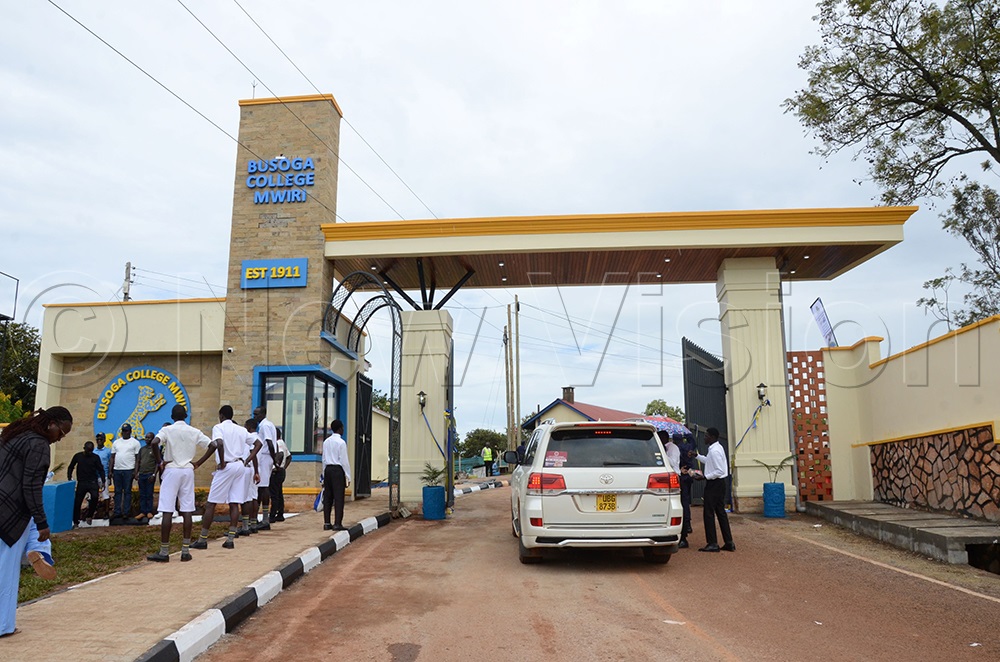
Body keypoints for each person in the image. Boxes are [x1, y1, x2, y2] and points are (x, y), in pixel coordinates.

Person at [0, 406, 73, 637]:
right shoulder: (39, 444)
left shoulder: (15, 434)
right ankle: (3, 625)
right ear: (51, 424)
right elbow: (31, 486)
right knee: (6, 572)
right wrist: (42, 522)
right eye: (61, 433)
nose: (59, 439)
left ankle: (37, 550)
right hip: (11, 514)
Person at [146, 405, 215, 562]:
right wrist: (198, 463)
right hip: (187, 471)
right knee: (187, 509)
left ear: (172, 416)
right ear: (186, 415)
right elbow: (214, 445)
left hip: (171, 469)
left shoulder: (167, 430)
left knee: (167, 510)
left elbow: (155, 443)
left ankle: (164, 552)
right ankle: (185, 551)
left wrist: (159, 462)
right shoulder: (193, 431)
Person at [193, 406, 256, 550]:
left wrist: (221, 462)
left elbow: (219, 443)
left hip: (226, 466)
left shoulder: (218, 427)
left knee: (211, 504)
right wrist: (247, 460)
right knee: (234, 503)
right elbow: (258, 443)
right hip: (240, 466)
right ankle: (230, 539)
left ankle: (202, 539)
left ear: (221, 415)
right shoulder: (241, 430)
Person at [693, 427, 735, 553]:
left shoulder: (715, 451)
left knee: (709, 513)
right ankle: (729, 542)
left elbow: (719, 471)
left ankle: (712, 543)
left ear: (712, 437)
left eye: (706, 436)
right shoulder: (716, 448)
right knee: (720, 512)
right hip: (719, 484)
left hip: (714, 484)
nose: (704, 437)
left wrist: (705, 477)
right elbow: (709, 462)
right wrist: (697, 456)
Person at [321, 419, 351, 531]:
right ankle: (337, 523)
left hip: (328, 470)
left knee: (328, 497)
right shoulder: (341, 443)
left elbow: (324, 459)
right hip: (338, 470)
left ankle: (327, 523)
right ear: (340, 428)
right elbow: (344, 461)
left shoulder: (326, 442)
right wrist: (348, 476)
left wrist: (323, 475)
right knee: (338, 497)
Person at [67, 440, 105, 527]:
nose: (89, 453)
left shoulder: (95, 457)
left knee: (95, 497)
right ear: (84, 449)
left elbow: (100, 469)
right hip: (82, 482)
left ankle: (89, 515)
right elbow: (71, 467)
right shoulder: (78, 456)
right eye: (88, 451)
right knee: (77, 502)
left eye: (91, 451)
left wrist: (103, 481)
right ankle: (76, 522)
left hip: (92, 482)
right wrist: (69, 477)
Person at [252, 406, 277, 531]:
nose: (254, 417)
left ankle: (265, 519)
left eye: (256, 414)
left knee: (263, 487)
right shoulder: (269, 424)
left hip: (265, 457)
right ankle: (258, 518)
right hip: (266, 457)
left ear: (262, 414)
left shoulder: (264, 426)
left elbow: (270, 443)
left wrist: (274, 460)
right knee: (261, 489)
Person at [109, 423, 140, 520]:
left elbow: (137, 459)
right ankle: (117, 512)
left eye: (126, 431)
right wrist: (110, 470)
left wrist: (135, 471)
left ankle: (126, 512)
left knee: (127, 492)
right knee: (117, 491)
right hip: (117, 470)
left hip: (128, 470)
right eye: (123, 431)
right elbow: (112, 457)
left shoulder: (135, 443)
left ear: (130, 431)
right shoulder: (116, 442)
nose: (124, 432)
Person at [238, 418, 262, 536]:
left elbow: (254, 456)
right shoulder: (255, 437)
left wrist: (255, 471)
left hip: (248, 468)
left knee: (246, 498)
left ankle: (246, 526)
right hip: (253, 468)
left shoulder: (247, 438)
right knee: (253, 497)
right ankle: (253, 524)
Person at [675, 431, 696, 548]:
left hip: (681, 475)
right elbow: (693, 441)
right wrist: (688, 433)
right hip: (689, 474)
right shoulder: (689, 446)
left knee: (682, 501)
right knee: (686, 501)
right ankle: (688, 525)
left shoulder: (676, 449)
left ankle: (684, 525)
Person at [135, 432, 158, 521]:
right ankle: (142, 512)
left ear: (153, 439)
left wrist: (154, 474)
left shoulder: (155, 449)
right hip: (142, 474)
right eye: (146, 437)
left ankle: (149, 511)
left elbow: (157, 463)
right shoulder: (142, 449)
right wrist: (136, 473)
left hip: (150, 475)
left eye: (149, 438)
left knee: (149, 494)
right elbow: (138, 461)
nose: (147, 439)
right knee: (142, 494)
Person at [269, 427, 290, 522]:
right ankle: (280, 513)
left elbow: (280, 454)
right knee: (279, 493)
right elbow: (289, 457)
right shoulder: (283, 443)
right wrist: (284, 467)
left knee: (274, 494)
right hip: (281, 470)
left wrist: (277, 466)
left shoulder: (278, 443)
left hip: (276, 471)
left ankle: (272, 515)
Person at [93, 433, 112, 516]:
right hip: (94, 476)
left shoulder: (108, 451)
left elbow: (110, 462)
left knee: (105, 494)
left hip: (104, 475)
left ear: (104, 440)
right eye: (98, 439)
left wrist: (110, 475)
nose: (99, 441)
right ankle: (94, 512)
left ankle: (106, 512)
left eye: (101, 439)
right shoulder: (93, 451)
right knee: (93, 495)